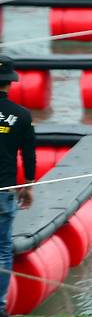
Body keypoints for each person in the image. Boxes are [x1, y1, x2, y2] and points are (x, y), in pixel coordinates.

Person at [0, 55, 36, 317]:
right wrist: (29, 185)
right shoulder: (22, 116)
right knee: (2, 250)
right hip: (4, 192)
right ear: (10, 84)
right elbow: (29, 155)